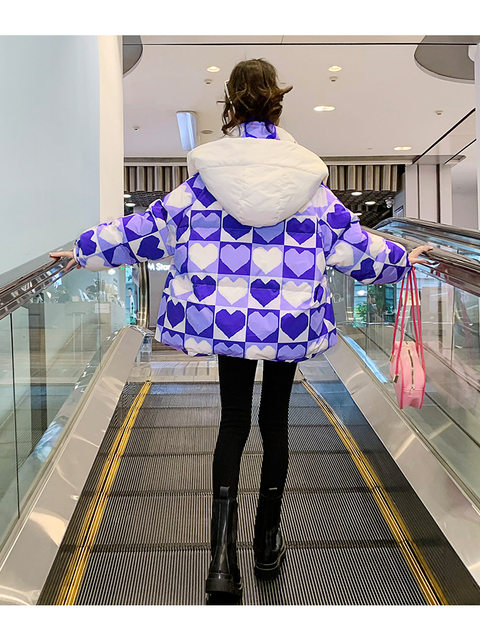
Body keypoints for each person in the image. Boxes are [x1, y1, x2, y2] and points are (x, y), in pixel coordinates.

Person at [51, 58, 432, 605]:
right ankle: (268, 545)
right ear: (277, 105)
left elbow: (147, 229)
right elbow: (354, 244)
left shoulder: (203, 182)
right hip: (287, 321)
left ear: (230, 104)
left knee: (233, 421)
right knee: (274, 423)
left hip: (226, 317)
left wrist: (83, 250)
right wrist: (403, 260)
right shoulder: (309, 183)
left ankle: (220, 563)